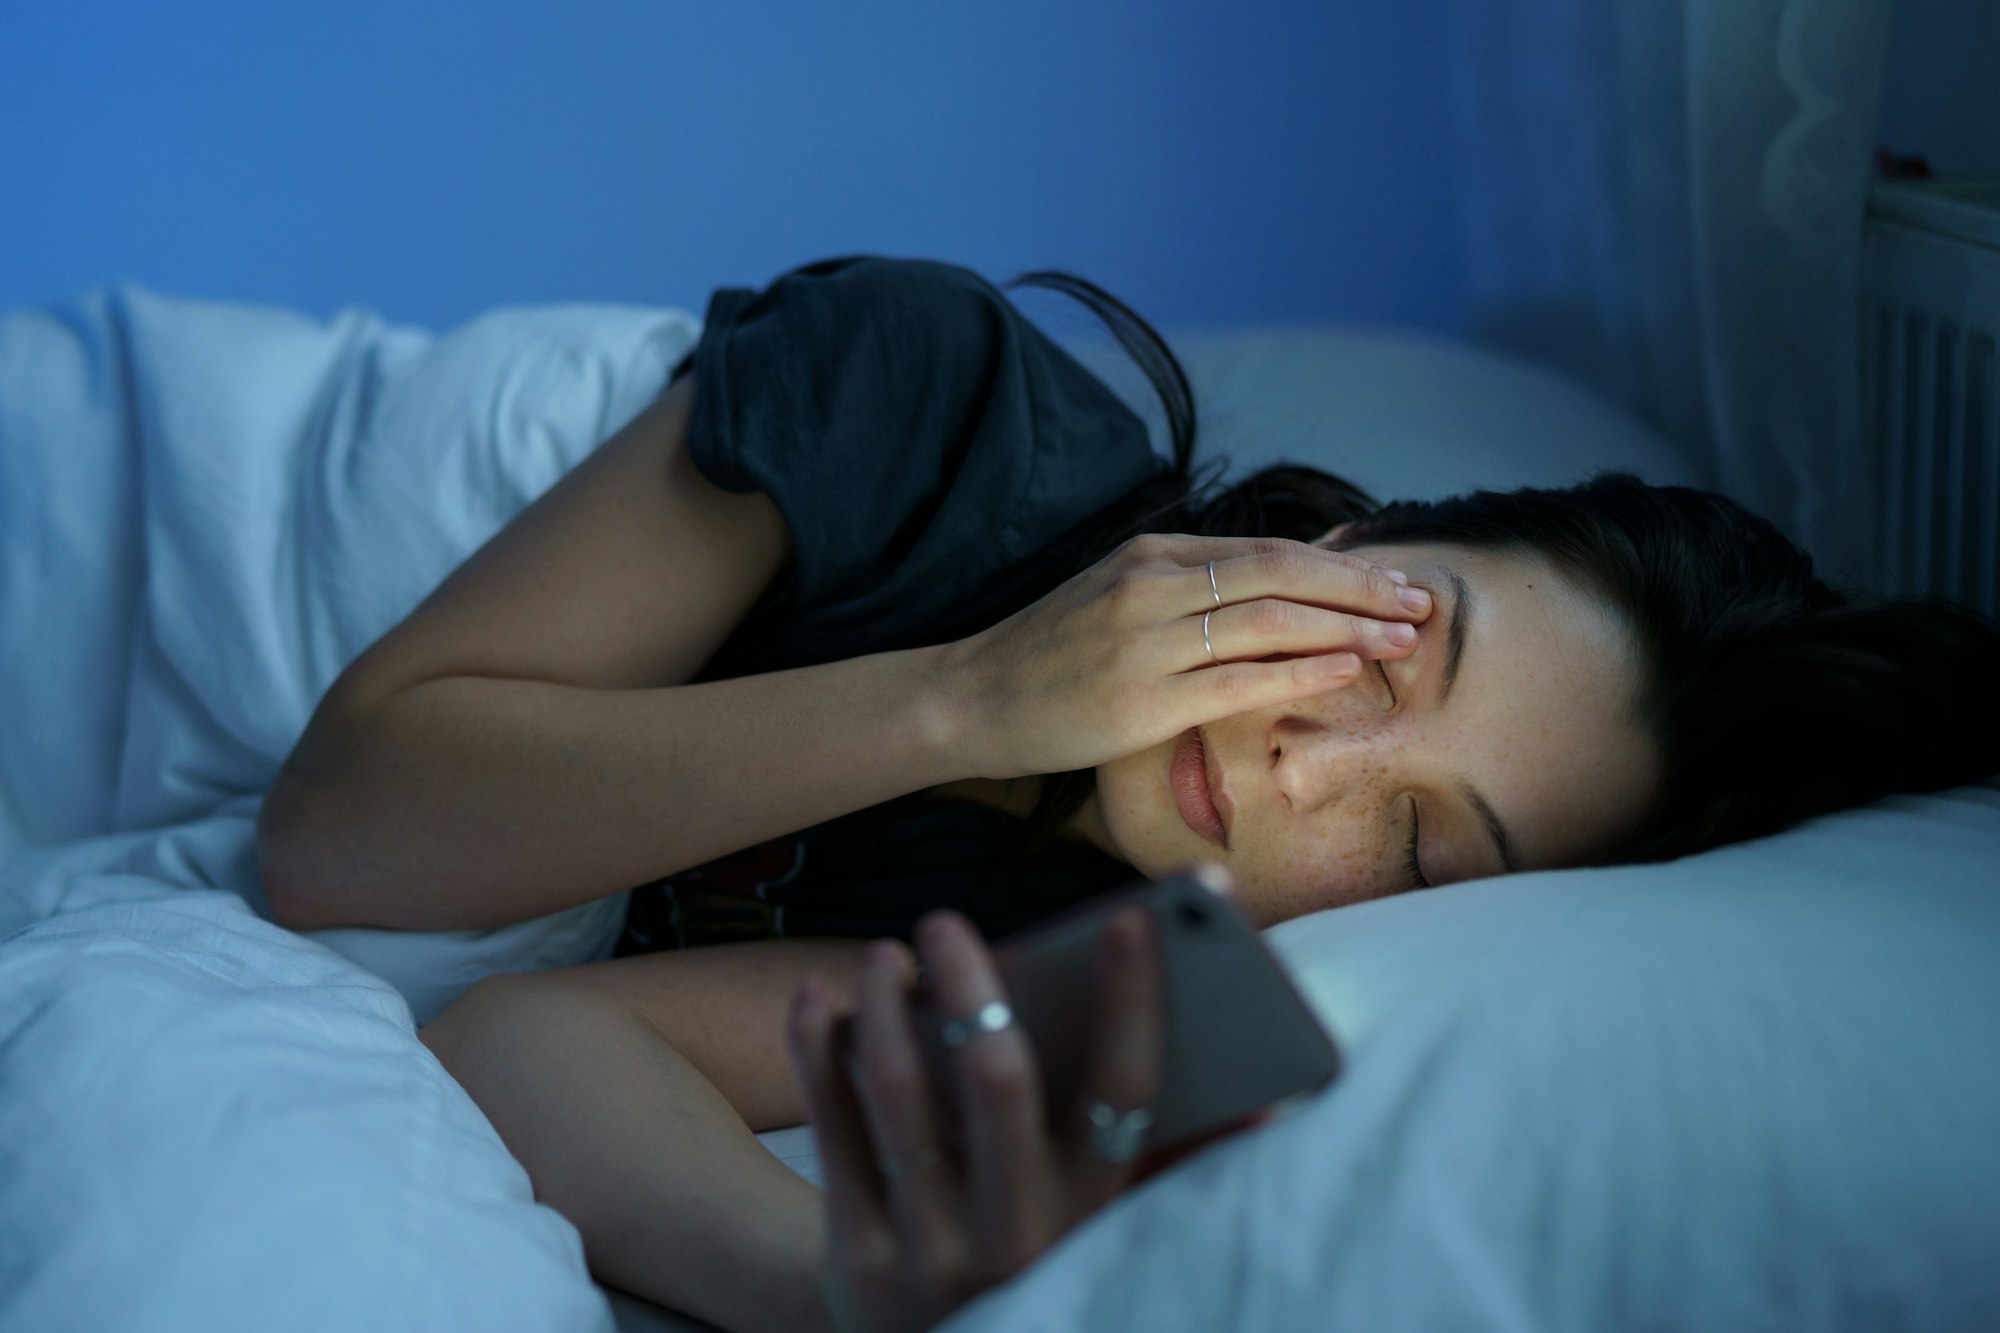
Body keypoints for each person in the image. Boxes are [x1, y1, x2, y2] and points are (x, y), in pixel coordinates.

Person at [254, 256, 2000, 1333]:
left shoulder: (1146, 961)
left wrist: (828, 1284)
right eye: (1382, 665)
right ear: (1348, 538)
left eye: (1412, 846)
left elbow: (527, 1035)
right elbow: (338, 829)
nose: (1308, 766)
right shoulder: (934, 396)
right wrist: (965, 695)